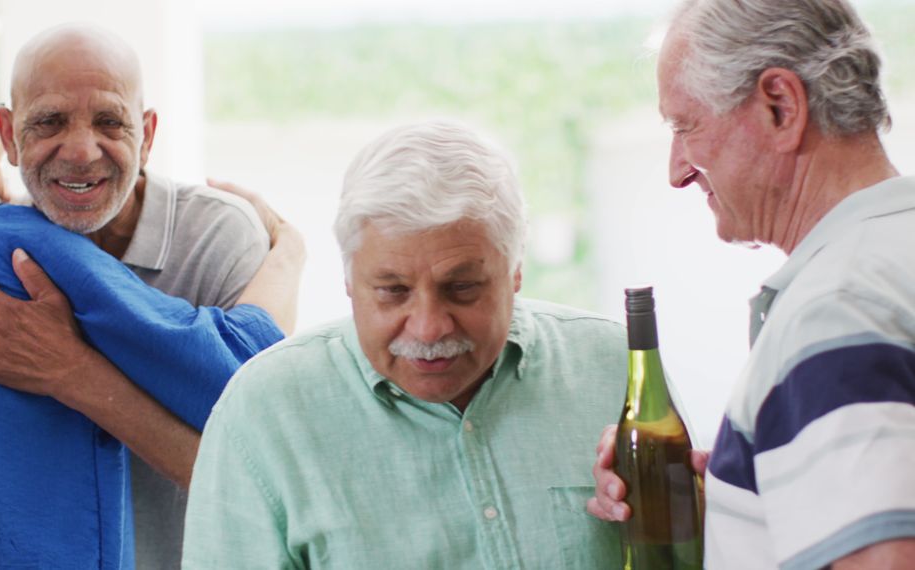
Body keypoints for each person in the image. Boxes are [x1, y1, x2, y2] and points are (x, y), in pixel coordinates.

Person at [0, 24, 300, 569]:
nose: (80, 151)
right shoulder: (8, 247)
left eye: (108, 121)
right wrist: (291, 249)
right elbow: (237, 368)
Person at [181, 121, 627, 569]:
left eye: (463, 287)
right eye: (393, 291)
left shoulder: (613, 366)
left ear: (515, 272)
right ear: (349, 280)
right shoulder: (263, 410)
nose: (429, 328)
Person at [587, 1, 915, 568]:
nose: (676, 171)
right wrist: (755, 506)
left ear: (780, 107)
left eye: (685, 127)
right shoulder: (890, 256)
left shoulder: (836, 307)